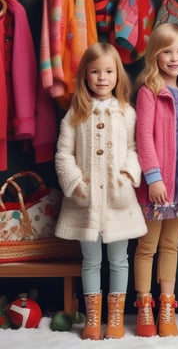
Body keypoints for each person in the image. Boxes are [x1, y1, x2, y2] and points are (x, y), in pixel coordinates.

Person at [54, 42, 147, 340]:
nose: (102, 78)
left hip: (118, 200)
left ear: (118, 75)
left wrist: (126, 175)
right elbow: (63, 154)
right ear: (85, 76)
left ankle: (115, 318)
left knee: (120, 260)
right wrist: (76, 183)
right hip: (86, 201)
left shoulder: (126, 112)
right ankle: (93, 317)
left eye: (108, 72)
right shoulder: (75, 113)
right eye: (95, 72)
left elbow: (134, 149)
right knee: (91, 260)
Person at [133, 23, 178, 337]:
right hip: (158, 185)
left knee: (171, 246)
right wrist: (154, 177)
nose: (175, 58)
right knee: (147, 246)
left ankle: (167, 306)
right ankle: (144, 305)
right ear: (155, 55)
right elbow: (144, 137)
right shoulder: (149, 91)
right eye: (167, 51)